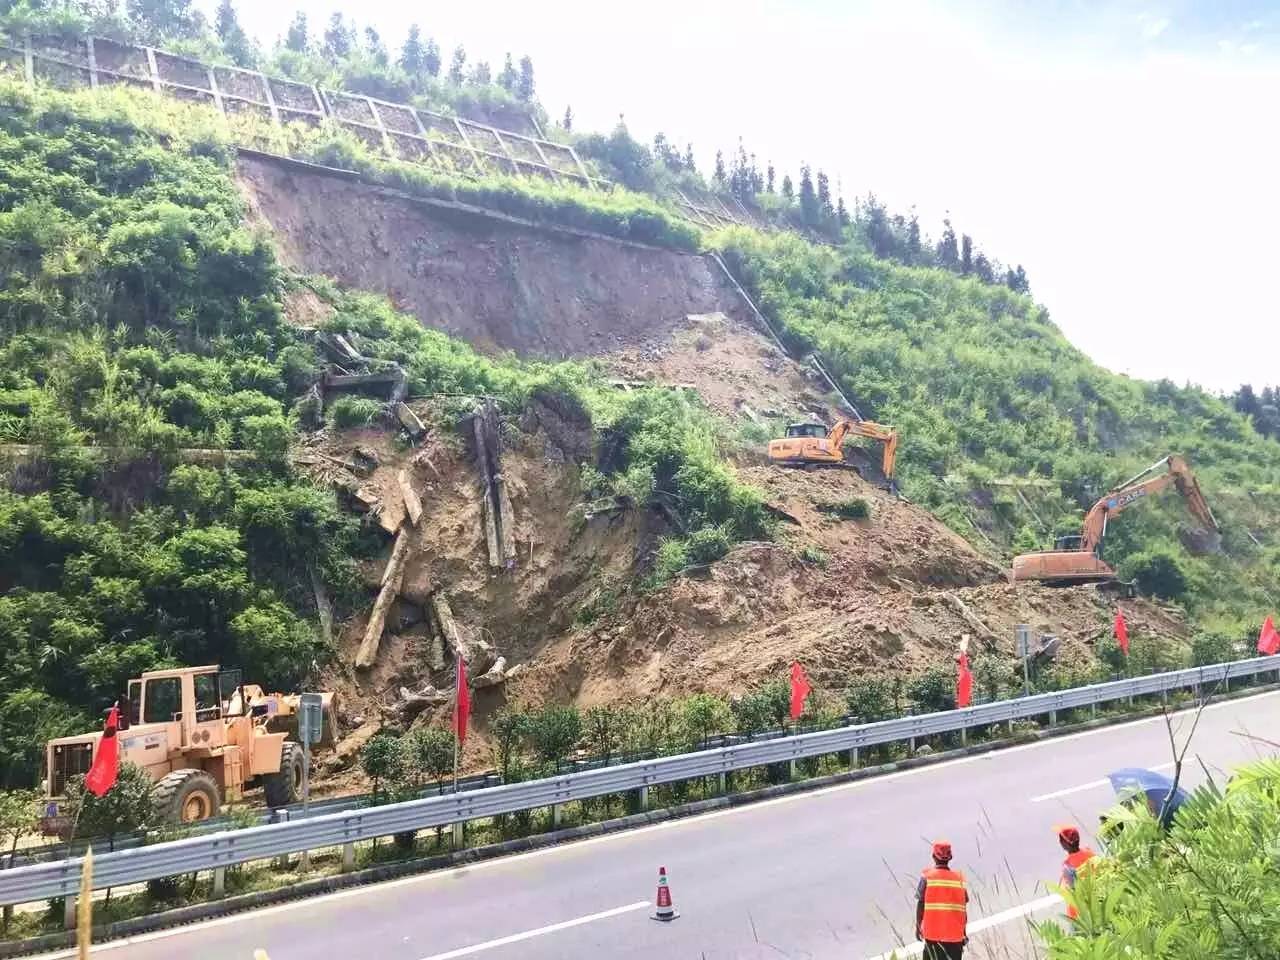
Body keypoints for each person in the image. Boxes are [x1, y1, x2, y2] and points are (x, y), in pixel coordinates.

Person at [916, 839, 968, 959]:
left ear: (933, 856)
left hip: (933, 937)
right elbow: (963, 910)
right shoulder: (959, 879)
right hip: (955, 938)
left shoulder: (927, 877)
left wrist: (918, 927)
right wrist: (963, 933)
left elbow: (920, 904)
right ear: (950, 857)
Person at [1057, 825, 1097, 922]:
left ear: (1064, 844)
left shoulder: (1067, 865)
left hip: (1078, 913)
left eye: (1061, 840)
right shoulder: (1090, 853)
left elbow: (1071, 889)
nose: (1059, 842)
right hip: (1095, 904)